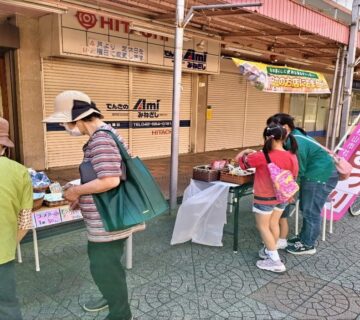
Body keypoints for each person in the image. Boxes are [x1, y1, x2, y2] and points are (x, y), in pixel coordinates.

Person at [43, 91, 144, 320]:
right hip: (107, 216)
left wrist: (76, 191)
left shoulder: (101, 139)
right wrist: (82, 192)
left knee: (104, 267)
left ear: (77, 119)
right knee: (107, 266)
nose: (65, 128)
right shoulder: (105, 134)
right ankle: (111, 296)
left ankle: (120, 313)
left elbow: (109, 180)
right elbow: (103, 174)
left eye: (65, 123)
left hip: (107, 221)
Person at [266, 113, 339, 255]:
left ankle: (308, 244)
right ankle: (304, 238)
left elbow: (298, 170)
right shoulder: (294, 136)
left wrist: (290, 192)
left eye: (273, 127)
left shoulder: (296, 141)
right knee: (307, 208)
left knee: (311, 211)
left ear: (285, 127)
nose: (271, 130)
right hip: (318, 173)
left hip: (320, 175)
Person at [235, 124, 298, 273]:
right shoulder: (291, 156)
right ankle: (269, 250)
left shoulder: (261, 155)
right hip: (282, 196)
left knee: (263, 227)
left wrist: (245, 151)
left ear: (266, 138)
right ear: (284, 138)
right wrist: (290, 195)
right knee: (273, 224)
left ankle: (275, 261)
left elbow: (240, 162)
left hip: (264, 197)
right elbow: (293, 177)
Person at [0, 117, 33, 320]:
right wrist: (9, 244)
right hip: (3, 254)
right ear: (3, 146)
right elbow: (25, 221)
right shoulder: (20, 172)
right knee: (7, 305)